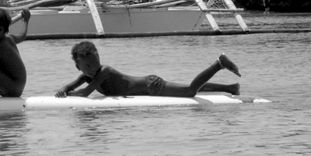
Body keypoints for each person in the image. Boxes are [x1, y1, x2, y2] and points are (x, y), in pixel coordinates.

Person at [55, 41, 241, 98]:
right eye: (87, 66)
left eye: (95, 62)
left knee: (190, 91)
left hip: (151, 86)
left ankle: (219, 63)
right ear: (78, 66)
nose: (91, 68)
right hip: (149, 84)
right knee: (188, 87)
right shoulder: (86, 75)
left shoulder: (104, 71)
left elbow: (85, 93)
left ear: (99, 60)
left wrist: (69, 95)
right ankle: (230, 88)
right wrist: (63, 90)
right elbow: (70, 85)